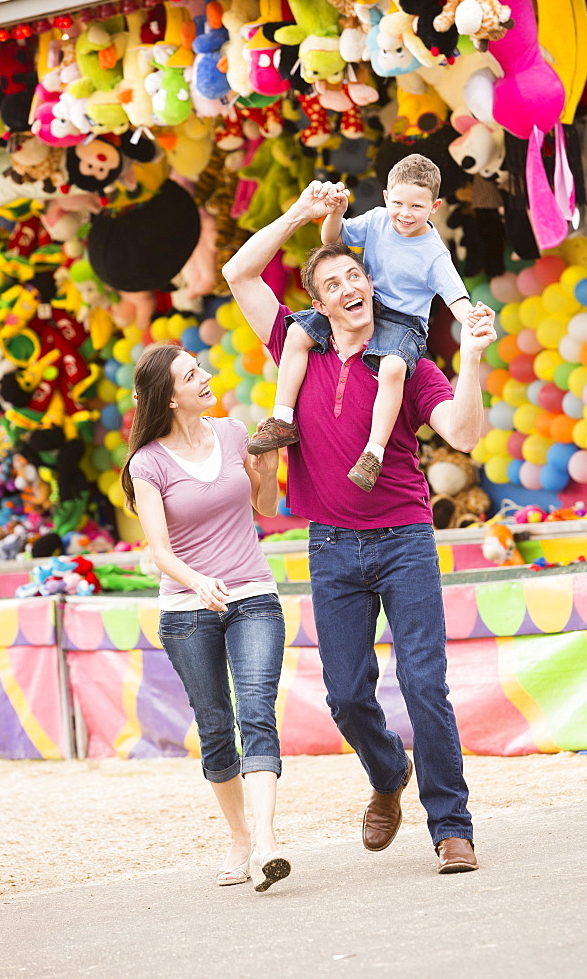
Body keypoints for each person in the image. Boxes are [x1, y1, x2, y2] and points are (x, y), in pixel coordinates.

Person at [223, 181, 497, 875]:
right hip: (331, 544)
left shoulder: (410, 363)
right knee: (346, 693)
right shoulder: (297, 343)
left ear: (369, 286)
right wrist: (303, 215)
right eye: (334, 281)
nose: (350, 286)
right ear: (318, 304)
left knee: (424, 684)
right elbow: (238, 273)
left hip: (404, 538)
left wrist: (475, 353)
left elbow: (465, 432)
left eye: (356, 275)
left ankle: (451, 826)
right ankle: (386, 774)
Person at [120, 342, 290, 893]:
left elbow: (264, 508)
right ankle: (239, 838)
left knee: (257, 711)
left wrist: (268, 473)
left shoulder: (235, 432)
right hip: (189, 610)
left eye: (201, 369)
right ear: (170, 397)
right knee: (217, 726)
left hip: (253, 595)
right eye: (193, 374)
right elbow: (160, 552)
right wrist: (198, 581)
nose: (207, 376)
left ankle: (266, 843)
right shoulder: (148, 463)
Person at [247, 155, 484, 493]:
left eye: (417, 206)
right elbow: (333, 240)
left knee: (391, 370)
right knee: (297, 332)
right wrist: (336, 212)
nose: (405, 213)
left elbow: (455, 298)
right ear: (386, 197)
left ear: (435, 207)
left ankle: (373, 453)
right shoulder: (377, 220)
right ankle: (283, 419)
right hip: (368, 302)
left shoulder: (434, 254)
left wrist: (471, 319)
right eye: (398, 203)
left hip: (404, 323)